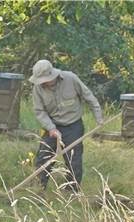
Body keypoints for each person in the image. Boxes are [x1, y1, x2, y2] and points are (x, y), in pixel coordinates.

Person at [29, 59, 103, 191]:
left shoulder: (71, 79)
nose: (43, 83)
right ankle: (38, 189)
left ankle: (71, 192)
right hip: (52, 125)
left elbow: (89, 98)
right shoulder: (37, 88)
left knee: (73, 161)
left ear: (53, 75)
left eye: (45, 80)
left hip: (73, 126)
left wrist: (98, 119)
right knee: (43, 158)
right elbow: (39, 111)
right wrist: (51, 128)